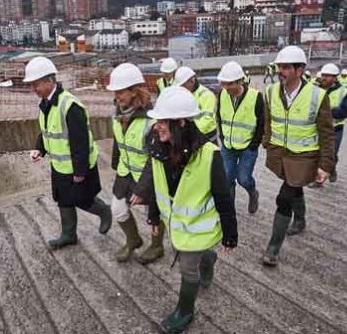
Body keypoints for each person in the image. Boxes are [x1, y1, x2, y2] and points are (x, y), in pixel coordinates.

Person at [138, 86, 238, 333]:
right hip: (176, 225)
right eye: (157, 120)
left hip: (198, 229)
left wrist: (230, 232)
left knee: (186, 268)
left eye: (163, 121)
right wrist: (153, 214)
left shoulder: (209, 155)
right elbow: (156, 185)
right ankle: (208, 257)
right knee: (190, 256)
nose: (157, 126)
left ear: (181, 122)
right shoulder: (158, 149)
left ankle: (185, 311)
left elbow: (223, 197)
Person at [26, 56, 112, 250]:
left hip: (76, 166)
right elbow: (47, 131)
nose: (33, 89)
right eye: (31, 85)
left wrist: (80, 171)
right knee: (62, 198)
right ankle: (69, 234)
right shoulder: (45, 104)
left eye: (36, 84)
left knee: (81, 199)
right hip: (59, 165)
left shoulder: (70, 106)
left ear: (50, 81)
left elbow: (79, 141)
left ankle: (104, 211)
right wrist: (39, 149)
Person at [262, 46, 335, 265]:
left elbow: (327, 134)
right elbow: (268, 120)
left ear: (299, 69)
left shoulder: (317, 96)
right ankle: (301, 219)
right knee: (293, 186)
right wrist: (267, 141)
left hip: (303, 158)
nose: (280, 71)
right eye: (279, 67)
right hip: (280, 156)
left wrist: (326, 165)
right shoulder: (271, 92)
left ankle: (272, 249)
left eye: (285, 67)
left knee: (284, 198)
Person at [106, 63, 161, 262]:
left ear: (135, 91)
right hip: (125, 173)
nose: (116, 96)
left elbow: (154, 159)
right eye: (115, 92)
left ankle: (156, 246)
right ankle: (133, 240)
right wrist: (115, 165)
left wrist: (141, 189)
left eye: (120, 91)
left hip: (149, 177)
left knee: (154, 213)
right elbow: (119, 143)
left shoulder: (151, 120)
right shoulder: (118, 114)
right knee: (117, 209)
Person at [215, 61, 264, 214]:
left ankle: (253, 192)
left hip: (247, 147)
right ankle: (230, 210)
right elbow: (219, 116)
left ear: (240, 81)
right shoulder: (222, 94)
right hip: (228, 146)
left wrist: (253, 145)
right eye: (224, 84)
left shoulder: (256, 97)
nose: (226, 87)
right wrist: (223, 138)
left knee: (243, 179)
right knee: (227, 178)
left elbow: (262, 123)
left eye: (229, 84)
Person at [319, 63, 347, 184]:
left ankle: (331, 169)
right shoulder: (316, 89)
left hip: (335, 129)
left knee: (332, 153)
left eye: (327, 76)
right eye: (323, 75)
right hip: (318, 129)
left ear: (335, 77)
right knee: (318, 154)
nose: (324, 78)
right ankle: (319, 178)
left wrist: (329, 112)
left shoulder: (343, 91)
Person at [174, 66, 219, 143]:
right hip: (193, 136)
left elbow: (208, 120)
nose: (182, 88)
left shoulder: (206, 95)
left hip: (207, 137)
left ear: (192, 80)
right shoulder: (185, 94)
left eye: (183, 85)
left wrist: (190, 131)